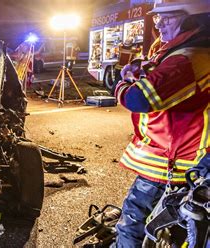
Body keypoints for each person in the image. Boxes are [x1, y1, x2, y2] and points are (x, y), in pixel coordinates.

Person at [113, 0, 209, 246]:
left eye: (168, 17)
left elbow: (139, 98)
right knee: (169, 229)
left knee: (132, 225)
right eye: (157, 18)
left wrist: (121, 83)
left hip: (169, 162)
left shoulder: (189, 59)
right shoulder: (186, 52)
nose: (159, 24)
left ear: (193, 19)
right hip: (177, 159)